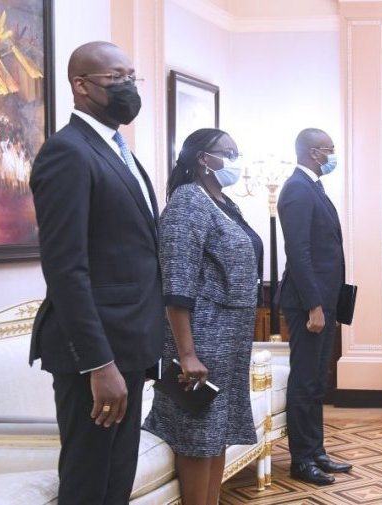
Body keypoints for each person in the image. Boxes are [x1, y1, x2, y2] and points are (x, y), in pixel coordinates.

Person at [28, 41, 164, 504]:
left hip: (130, 346)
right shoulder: (67, 152)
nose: (128, 86)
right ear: (81, 85)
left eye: (131, 76)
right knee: (89, 482)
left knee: (116, 480)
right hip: (95, 355)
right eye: (116, 77)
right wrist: (98, 363)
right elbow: (66, 268)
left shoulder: (118, 150)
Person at [143, 128, 262, 505]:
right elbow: (176, 281)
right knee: (198, 435)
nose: (234, 160)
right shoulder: (187, 201)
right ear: (202, 158)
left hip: (230, 342)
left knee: (216, 433)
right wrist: (187, 354)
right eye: (227, 152)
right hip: (201, 340)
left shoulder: (224, 202)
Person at [277, 128, 351, 485]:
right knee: (305, 380)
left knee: (317, 380)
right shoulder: (296, 189)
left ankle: (316, 451)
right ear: (312, 152)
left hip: (325, 299)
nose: (333, 155)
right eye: (329, 149)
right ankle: (301, 460)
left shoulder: (314, 187)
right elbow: (298, 252)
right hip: (309, 304)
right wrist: (314, 306)